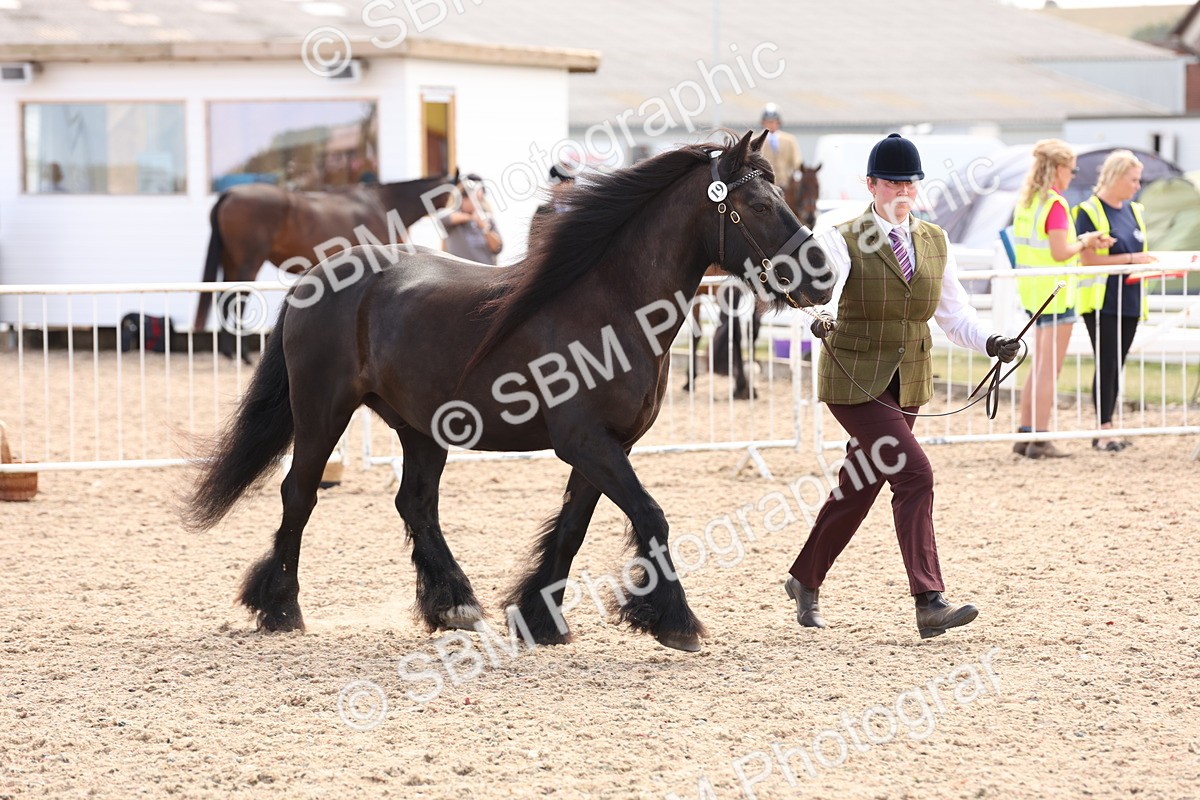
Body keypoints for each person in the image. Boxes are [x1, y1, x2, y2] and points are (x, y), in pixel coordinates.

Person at [784, 133, 1021, 640]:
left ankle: (804, 578)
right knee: (915, 474)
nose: (901, 190)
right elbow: (823, 284)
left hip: (907, 380)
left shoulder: (934, 240)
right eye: (891, 182)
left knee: (860, 485)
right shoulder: (840, 236)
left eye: (909, 182)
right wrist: (822, 316)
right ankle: (929, 600)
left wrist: (992, 342)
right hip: (854, 379)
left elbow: (955, 316)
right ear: (870, 185)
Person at [1011, 140, 1113, 459]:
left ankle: (1027, 432)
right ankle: (1041, 437)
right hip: (1055, 294)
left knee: (1038, 365)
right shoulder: (1055, 204)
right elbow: (1059, 251)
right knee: (1049, 369)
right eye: (1072, 169)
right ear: (1058, 169)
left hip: (1033, 292)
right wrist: (1084, 242)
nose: (1073, 176)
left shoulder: (1027, 202)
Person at [1073, 150, 1157, 452]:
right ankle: (1103, 428)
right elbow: (1089, 259)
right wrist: (1133, 259)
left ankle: (1107, 425)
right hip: (1102, 301)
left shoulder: (1135, 211)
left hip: (1131, 299)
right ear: (1117, 176)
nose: (1137, 185)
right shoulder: (1089, 210)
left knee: (1116, 363)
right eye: (1133, 179)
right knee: (1106, 362)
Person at [437, 174, 503, 265]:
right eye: (475, 199)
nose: (478, 204)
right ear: (463, 199)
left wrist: (485, 228)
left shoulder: (487, 219)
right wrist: (470, 217)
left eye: (480, 200)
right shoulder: (453, 219)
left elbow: (498, 248)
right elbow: (442, 218)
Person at [759, 104, 802, 190]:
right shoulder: (756, 140)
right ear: (763, 122)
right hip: (764, 186)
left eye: (773, 121)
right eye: (768, 121)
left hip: (786, 185)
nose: (771, 124)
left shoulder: (789, 140)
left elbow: (797, 162)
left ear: (778, 122)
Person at [529, 163, 574, 241]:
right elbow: (533, 243)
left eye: (568, 181)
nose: (564, 187)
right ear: (552, 184)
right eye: (560, 182)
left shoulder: (580, 210)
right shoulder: (542, 211)